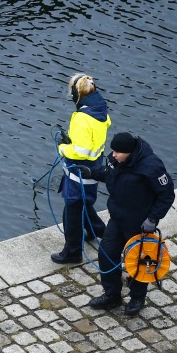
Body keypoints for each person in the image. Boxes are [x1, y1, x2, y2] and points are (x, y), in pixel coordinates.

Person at [86, 132, 175, 316]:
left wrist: (152, 219)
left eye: (118, 152)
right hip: (118, 218)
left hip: (139, 224)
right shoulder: (115, 159)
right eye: (113, 151)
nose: (113, 155)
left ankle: (137, 298)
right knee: (106, 254)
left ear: (129, 152)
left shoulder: (152, 166)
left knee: (139, 262)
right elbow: (110, 176)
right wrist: (92, 173)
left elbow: (166, 195)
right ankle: (112, 295)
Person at [51, 73, 109, 264]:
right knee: (83, 203)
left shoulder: (82, 117)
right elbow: (91, 140)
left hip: (79, 171)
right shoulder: (100, 111)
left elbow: (80, 151)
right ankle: (99, 232)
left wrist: (63, 147)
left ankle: (72, 251)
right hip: (94, 167)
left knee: (72, 209)